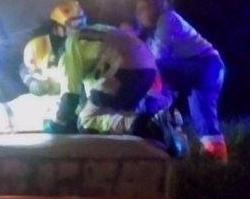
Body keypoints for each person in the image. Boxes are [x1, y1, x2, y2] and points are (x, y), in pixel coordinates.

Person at [46, 23, 187, 158]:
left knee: (87, 121)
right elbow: (95, 99)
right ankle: (168, 121)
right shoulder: (86, 42)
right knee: (119, 118)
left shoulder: (68, 53)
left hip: (122, 65)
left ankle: (153, 123)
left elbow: (69, 97)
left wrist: (57, 124)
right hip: (147, 66)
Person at [135, 0, 227, 162]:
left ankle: (151, 114)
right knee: (205, 121)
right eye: (137, 10)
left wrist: (150, 99)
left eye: (143, 8)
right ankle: (217, 164)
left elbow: (158, 60)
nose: (139, 13)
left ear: (156, 6)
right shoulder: (158, 28)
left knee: (154, 70)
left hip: (203, 66)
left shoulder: (167, 19)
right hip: (210, 70)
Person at [20, 0, 85, 96]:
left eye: (83, 22)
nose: (81, 29)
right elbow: (25, 68)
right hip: (56, 94)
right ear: (59, 26)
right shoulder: (42, 43)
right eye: (75, 24)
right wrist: (33, 82)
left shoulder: (84, 40)